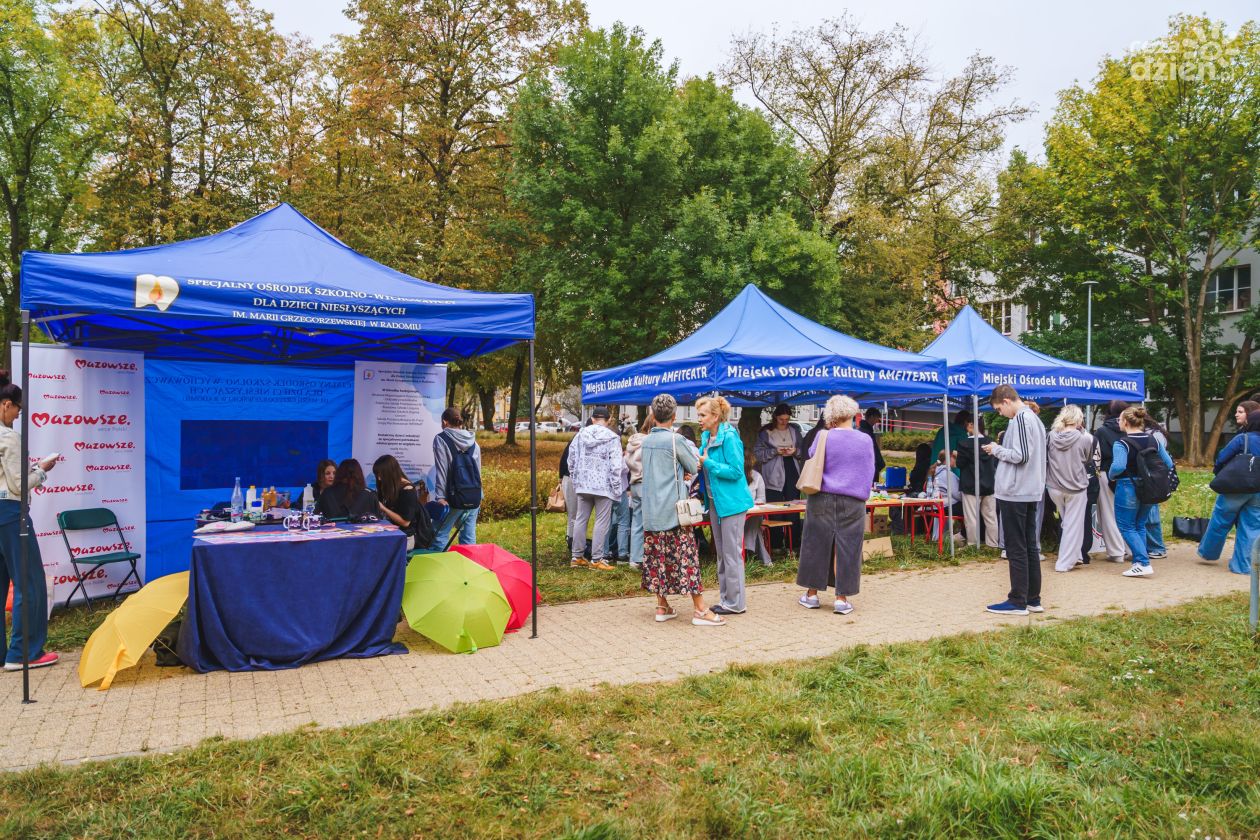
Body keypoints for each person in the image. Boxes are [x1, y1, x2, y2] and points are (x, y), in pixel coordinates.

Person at [638, 394, 724, 626]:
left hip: (651, 513)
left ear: (653, 415)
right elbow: (693, 466)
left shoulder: (645, 442)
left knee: (658, 561)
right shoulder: (676, 441)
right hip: (674, 512)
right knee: (687, 561)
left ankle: (662, 605)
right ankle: (700, 610)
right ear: (674, 416)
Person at [0, 374, 59, 671]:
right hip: (10, 514)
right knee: (30, 583)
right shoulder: (8, 436)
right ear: (5, 404)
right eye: (17, 411)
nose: (18, 416)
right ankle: (24, 653)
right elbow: (20, 485)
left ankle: (3, 653)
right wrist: (43, 470)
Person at [797, 395, 874, 615]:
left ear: (830, 415)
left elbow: (811, 456)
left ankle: (811, 595)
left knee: (816, 544)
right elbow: (870, 470)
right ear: (853, 414)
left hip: (822, 496)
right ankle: (842, 598)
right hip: (853, 500)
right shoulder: (865, 439)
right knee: (848, 547)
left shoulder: (823, 436)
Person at [982, 384, 1048, 616]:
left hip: (1016, 491)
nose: (1001, 413)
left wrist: (996, 449)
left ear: (1007, 401)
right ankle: (1032, 598)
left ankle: (1018, 600)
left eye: (999, 409)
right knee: (1030, 545)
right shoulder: (1035, 420)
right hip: (1029, 490)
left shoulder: (1021, 419)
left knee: (1016, 547)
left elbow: (1020, 456)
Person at [697, 396, 754, 615]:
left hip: (732, 502)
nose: (699, 419)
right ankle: (726, 598)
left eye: (702, 415)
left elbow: (736, 471)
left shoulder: (729, 436)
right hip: (714, 501)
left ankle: (736, 603)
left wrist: (708, 463)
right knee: (721, 552)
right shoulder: (706, 437)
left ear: (715, 416)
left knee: (732, 554)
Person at [1108, 406, 1175, 578]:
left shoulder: (1121, 443)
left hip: (1127, 486)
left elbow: (1118, 466)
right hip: (1150, 487)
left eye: (1120, 419)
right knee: (1139, 524)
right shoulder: (1154, 440)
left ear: (1125, 422)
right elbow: (1168, 463)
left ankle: (1143, 563)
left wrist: (1111, 475)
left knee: (1126, 526)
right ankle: (1138, 561)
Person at [1198, 409, 1260, 575]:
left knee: (1220, 520)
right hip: (1258, 491)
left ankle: (1208, 553)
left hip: (1236, 487)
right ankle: (1242, 566)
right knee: (1251, 528)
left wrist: (1221, 474)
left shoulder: (1243, 438)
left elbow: (1222, 457)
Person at [567, 407, 624, 571]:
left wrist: (575, 478)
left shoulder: (580, 435)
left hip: (583, 483)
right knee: (601, 521)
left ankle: (576, 556)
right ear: (608, 420)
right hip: (603, 486)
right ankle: (597, 559)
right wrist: (616, 487)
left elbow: (571, 459)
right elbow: (616, 465)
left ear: (592, 419)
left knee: (581, 519)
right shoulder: (612, 438)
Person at [1046, 405, 1093, 572]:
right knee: (1074, 524)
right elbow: (1087, 459)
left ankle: (1076, 555)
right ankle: (1064, 562)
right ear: (1079, 419)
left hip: (1054, 486)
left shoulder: (1051, 436)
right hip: (1076, 486)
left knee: (1067, 522)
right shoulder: (1086, 438)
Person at [754, 403, 806, 549]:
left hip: (792, 472)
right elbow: (758, 455)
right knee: (774, 510)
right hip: (773, 475)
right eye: (782, 419)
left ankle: (794, 543)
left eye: (787, 419)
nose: (784, 422)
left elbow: (803, 451)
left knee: (793, 509)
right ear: (775, 417)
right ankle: (775, 544)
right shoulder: (766, 433)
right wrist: (774, 452)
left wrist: (795, 452)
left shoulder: (794, 431)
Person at [432, 407, 482, 547]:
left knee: (440, 533)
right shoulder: (473, 441)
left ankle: (438, 567)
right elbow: (477, 471)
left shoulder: (441, 440)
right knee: (468, 536)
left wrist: (440, 497)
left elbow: (442, 469)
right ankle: (467, 566)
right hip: (473, 494)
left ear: (444, 422)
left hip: (452, 495)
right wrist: (479, 494)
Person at [1092, 400, 1130, 563]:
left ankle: (1116, 552)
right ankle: (1132, 548)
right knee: (1129, 514)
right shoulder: (1132, 430)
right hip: (1130, 474)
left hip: (1106, 474)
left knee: (1108, 513)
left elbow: (1095, 455)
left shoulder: (1102, 431)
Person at [956, 414, 1000, 549]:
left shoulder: (963, 444)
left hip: (970, 485)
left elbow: (960, 464)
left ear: (970, 425)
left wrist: (956, 455)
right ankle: (992, 544)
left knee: (972, 518)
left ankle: (973, 545)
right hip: (989, 484)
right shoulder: (990, 442)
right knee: (991, 517)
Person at [373, 455, 432, 550]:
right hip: (394, 533)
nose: (379, 479)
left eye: (380, 475)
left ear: (389, 473)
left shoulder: (407, 490)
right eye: (377, 475)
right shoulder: (391, 486)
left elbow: (405, 522)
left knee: (377, 548)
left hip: (407, 537)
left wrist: (383, 508)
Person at [624, 416, 651, 570]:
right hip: (646, 483)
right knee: (649, 522)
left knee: (636, 521)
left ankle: (634, 558)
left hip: (634, 482)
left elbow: (627, 461)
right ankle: (646, 556)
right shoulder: (648, 444)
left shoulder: (633, 442)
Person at [1143, 415, 1171, 561]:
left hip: (1153, 477)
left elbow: (1164, 459)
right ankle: (1154, 547)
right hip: (1155, 476)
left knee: (1151, 514)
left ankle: (1157, 548)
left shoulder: (1153, 435)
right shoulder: (1156, 433)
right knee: (1150, 513)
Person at [743, 451, 772, 565]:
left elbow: (762, 499)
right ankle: (764, 560)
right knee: (757, 530)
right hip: (737, 514)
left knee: (754, 519)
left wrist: (753, 504)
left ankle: (745, 549)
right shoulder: (734, 477)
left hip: (752, 514)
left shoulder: (757, 476)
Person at [858, 407, 886, 485]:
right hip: (869, 468)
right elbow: (873, 451)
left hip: (866, 467)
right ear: (871, 416)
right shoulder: (866, 431)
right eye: (877, 418)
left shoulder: (864, 430)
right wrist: (879, 464)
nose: (877, 421)